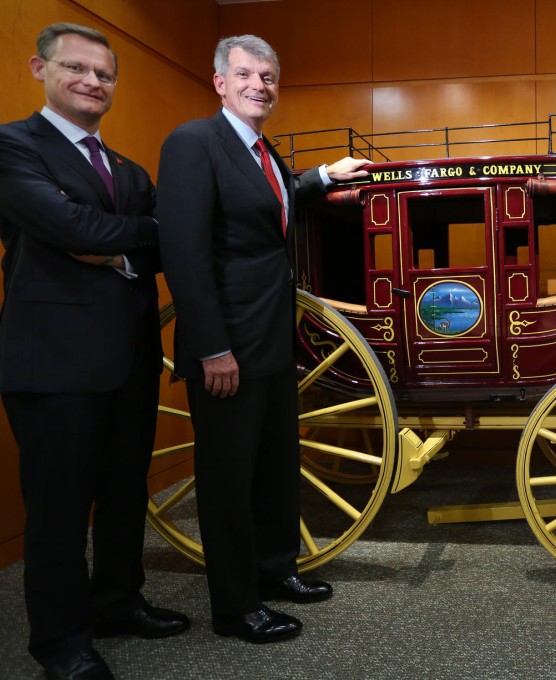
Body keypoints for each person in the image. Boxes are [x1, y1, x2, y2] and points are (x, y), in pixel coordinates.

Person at [156, 34, 370, 644]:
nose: (260, 86)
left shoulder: (264, 153)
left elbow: (272, 200)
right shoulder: (193, 144)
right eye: (246, 75)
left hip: (272, 343)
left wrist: (325, 175)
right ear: (220, 82)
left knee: (275, 467)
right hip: (227, 350)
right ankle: (235, 606)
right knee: (227, 480)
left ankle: (276, 573)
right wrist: (211, 347)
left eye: (269, 76)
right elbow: (185, 253)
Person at [0, 22, 190, 680]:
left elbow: (165, 240)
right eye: (76, 68)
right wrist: (132, 232)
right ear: (39, 68)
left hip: (131, 357)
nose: (93, 81)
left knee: (124, 492)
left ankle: (118, 601)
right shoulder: (10, 146)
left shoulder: (128, 171)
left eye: (105, 74)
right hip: (52, 363)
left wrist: (113, 241)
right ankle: (62, 644)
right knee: (56, 509)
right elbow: (64, 224)